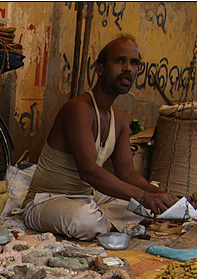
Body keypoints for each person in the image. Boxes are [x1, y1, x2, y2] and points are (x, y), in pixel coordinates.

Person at [21, 36, 178, 240]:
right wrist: (142, 196)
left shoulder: (120, 119)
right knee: (84, 219)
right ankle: (115, 221)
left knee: (143, 207)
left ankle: (112, 219)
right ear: (100, 69)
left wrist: (160, 196)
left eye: (134, 63)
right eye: (120, 61)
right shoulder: (78, 109)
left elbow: (127, 172)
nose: (128, 68)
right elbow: (88, 171)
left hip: (88, 196)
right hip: (47, 201)